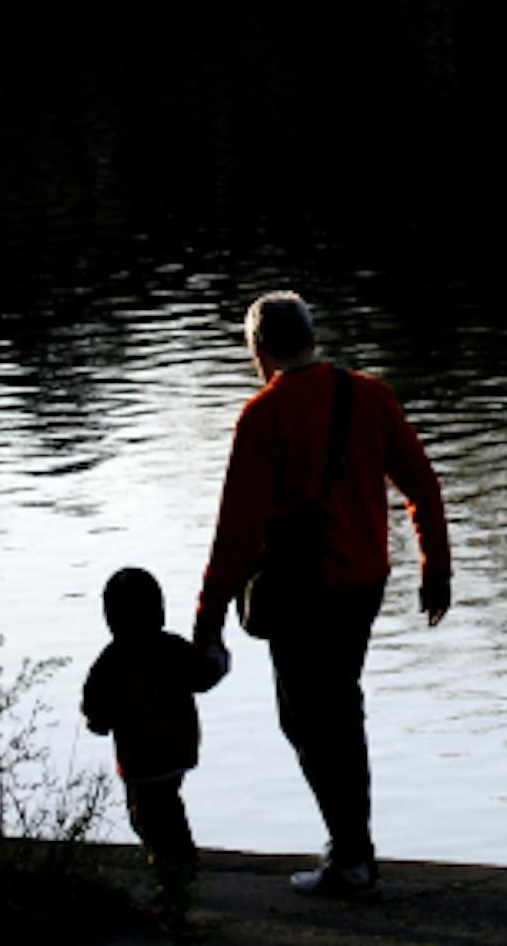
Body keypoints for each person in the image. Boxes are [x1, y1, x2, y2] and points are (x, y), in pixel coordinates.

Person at [192, 290, 452, 901]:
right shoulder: (370, 395)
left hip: (301, 590)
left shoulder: (263, 416)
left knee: (310, 718)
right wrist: (435, 569)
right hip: (363, 584)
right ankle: (352, 849)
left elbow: (236, 532)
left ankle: (352, 856)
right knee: (336, 710)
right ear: (312, 337)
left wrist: (207, 622)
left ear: (258, 350)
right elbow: (424, 486)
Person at [82, 566, 231, 909]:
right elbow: (204, 675)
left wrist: (97, 723)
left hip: (139, 755)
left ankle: (171, 870)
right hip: (178, 748)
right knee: (168, 803)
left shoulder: (111, 661)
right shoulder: (173, 649)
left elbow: (95, 706)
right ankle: (180, 861)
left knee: (147, 814)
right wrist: (219, 657)